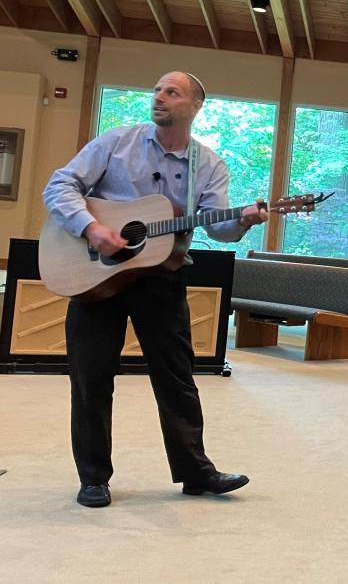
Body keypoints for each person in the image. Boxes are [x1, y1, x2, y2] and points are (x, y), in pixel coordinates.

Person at [42, 72, 268, 508]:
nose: (159, 97)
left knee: (177, 378)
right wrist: (93, 229)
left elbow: (216, 224)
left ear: (195, 106)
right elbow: (60, 185)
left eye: (172, 92)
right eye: (157, 90)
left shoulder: (210, 164)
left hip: (162, 278)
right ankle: (93, 477)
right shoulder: (116, 142)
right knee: (91, 378)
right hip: (97, 278)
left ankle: (196, 473)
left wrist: (242, 219)